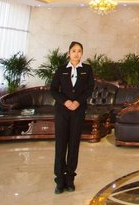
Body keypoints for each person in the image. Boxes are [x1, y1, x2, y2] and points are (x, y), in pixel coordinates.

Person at [50, 41, 95, 194]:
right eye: (74, 51)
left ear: (82, 53)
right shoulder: (61, 69)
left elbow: (89, 89)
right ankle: (59, 181)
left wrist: (77, 102)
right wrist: (66, 101)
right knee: (61, 145)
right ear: (68, 53)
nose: (76, 53)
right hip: (62, 111)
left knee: (74, 145)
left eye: (79, 51)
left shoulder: (87, 69)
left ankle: (70, 180)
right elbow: (53, 90)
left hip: (78, 111)